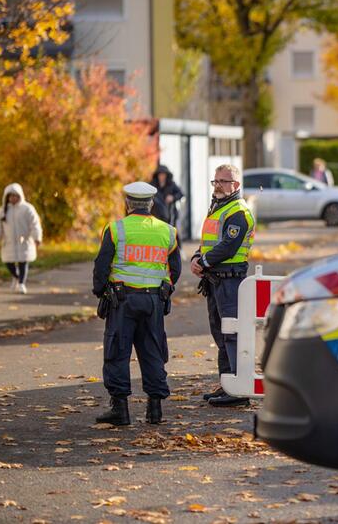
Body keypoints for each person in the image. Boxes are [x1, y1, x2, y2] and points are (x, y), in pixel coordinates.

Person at [92, 182, 181, 426]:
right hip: (152, 300)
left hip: (122, 301)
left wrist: (100, 292)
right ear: (151, 203)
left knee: (117, 351)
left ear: (128, 204)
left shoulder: (115, 229)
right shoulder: (168, 231)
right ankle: (155, 410)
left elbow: (101, 266)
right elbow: (175, 269)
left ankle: (120, 410)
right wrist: (165, 289)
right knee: (153, 351)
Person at [192, 164, 256, 407]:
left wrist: (204, 262)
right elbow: (209, 243)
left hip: (230, 280)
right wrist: (196, 258)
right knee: (220, 333)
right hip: (215, 279)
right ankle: (228, 384)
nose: (218, 184)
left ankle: (239, 392)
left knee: (232, 334)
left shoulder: (238, 211)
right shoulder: (218, 207)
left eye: (223, 181)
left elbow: (228, 246)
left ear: (236, 185)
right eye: (215, 180)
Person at [0, 183, 42, 294]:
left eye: (15, 196)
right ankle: (16, 276)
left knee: (23, 262)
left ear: (20, 196)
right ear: (7, 197)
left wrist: (37, 237)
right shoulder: (3, 211)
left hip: (25, 241)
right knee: (8, 262)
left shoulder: (27, 209)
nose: (13, 198)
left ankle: (22, 283)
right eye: (11, 196)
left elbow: (35, 224)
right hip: (9, 242)